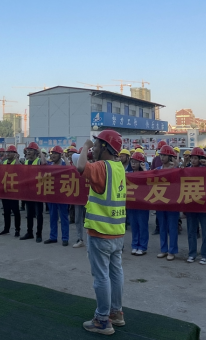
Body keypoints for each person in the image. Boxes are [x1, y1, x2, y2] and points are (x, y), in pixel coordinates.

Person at [76, 130, 126, 335]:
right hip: (117, 232)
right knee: (116, 273)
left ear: (105, 147)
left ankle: (102, 320)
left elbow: (80, 167)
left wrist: (85, 146)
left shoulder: (101, 167)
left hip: (100, 232)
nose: (93, 149)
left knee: (101, 277)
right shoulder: (118, 167)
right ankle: (117, 313)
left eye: (96, 145)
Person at [184, 147, 206, 265]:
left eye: (196, 158)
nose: (193, 160)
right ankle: (192, 254)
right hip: (191, 204)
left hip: (204, 204)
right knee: (191, 231)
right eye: (192, 158)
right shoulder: (187, 170)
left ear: (201, 159)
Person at [155, 145, 180, 261]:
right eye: (161, 155)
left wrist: (176, 167)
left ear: (170, 157)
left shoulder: (176, 169)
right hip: (160, 201)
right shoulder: (158, 169)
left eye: (164, 155)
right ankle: (163, 249)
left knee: (172, 227)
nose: (162, 157)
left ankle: (172, 250)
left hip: (172, 202)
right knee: (162, 226)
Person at [20, 142, 46, 242]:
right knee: (29, 214)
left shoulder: (39, 161)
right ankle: (29, 232)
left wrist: (40, 151)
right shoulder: (26, 162)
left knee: (39, 214)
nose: (28, 152)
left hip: (38, 192)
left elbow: (44, 164)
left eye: (31, 150)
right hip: (28, 192)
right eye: (28, 150)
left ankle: (39, 234)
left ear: (35, 152)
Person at [45, 146, 70, 246]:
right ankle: (53, 237)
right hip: (51, 194)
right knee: (52, 216)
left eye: (55, 153)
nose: (53, 155)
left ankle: (65, 238)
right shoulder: (49, 165)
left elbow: (71, 169)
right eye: (52, 153)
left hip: (62, 195)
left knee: (64, 217)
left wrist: (65, 158)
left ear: (60, 155)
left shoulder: (64, 164)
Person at [128, 151, 149, 256]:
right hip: (132, 203)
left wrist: (144, 169)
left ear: (141, 163)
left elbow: (150, 181)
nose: (133, 164)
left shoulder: (145, 173)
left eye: (136, 162)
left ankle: (143, 247)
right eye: (132, 161)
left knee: (142, 225)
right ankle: (135, 245)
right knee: (134, 225)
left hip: (142, 204)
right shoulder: (128, 174)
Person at [0, 145, 22, 237]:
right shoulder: (4, 162)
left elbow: (20, 169)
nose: (8, 154)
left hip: (14, 190)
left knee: (16, 211)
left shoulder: (17, 162)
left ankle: (17, 229)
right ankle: (6, 229)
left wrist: (16, 159)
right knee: (6, 211)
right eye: (7, 152)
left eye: (10, 152)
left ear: (15, 154)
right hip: (5, 190)